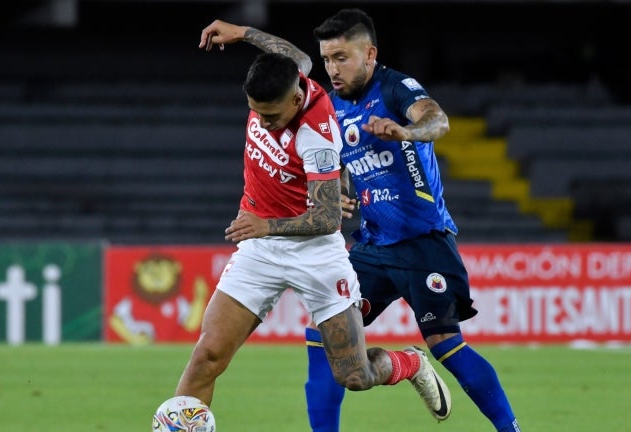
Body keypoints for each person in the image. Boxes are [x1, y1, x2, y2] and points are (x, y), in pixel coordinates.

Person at [199, 9, 522, 432]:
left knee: (446, 343)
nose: (332, 68)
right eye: (328, 59)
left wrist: (407, 132)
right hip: (372, 245)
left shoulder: (394, 88)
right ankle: (399, 370)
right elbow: (294, 60)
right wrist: (242, 33)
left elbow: (436, 119)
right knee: (324, 340)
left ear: (369, 54)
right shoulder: (325, 104)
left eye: (342, 58)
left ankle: (510, 428)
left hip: (423, 241)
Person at [170, 37, 450, 425]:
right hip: (260, 248)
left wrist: (266, 224)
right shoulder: (291, 76)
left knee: (354, 375)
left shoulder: (316, 134)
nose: (264, 124)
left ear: (296, 99)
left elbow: (328, 217)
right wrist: (242, 31)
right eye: (257, 114)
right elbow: (296, 55)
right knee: (207, 356)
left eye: (271, 117)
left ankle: (409, 362)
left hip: (315, 252)